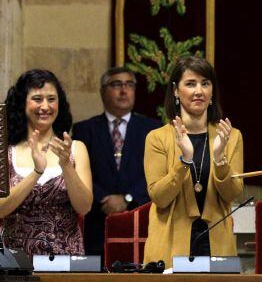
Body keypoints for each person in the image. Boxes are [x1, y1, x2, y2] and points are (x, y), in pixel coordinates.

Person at [143, 56, 244, 268]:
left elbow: (233, 194)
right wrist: (184, 160)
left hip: (217, 244)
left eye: (205, 83)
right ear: (176, 91)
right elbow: (160, 197)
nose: (199, 91)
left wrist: (219, 160)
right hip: (170, 246)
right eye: (190, 84)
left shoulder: (231, 136)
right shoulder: (157, 137)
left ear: (212, 91)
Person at [1, 69, 93, 257]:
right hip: (15, 260)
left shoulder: (76, 148)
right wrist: (37, 171)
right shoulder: (5, 151)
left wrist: (66, 165)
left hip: (66, 256)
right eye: (37, 99)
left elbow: (84, 207)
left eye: (51, 99)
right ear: (22, 103)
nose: (45, 106)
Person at [73, 67, 162, 260]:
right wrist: (103, 198)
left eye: (129, 85)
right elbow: (77, 173)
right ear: (102, 91)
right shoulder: (84, 130)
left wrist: (127, 198)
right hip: (97, 226)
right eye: (116, 85)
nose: (124, 90)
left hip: (141, 223)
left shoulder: (154, 130)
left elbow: (158, 174)